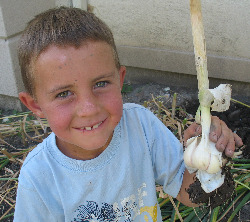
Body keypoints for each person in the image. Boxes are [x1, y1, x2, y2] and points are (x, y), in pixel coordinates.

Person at [14, 7, 243, 221]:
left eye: (101, 83)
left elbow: (188, 193)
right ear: (35, 105)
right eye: (64, 94)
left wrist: (208, 153)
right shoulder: (39, 177)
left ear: (120, 80)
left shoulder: (141, 126)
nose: (89, 108)